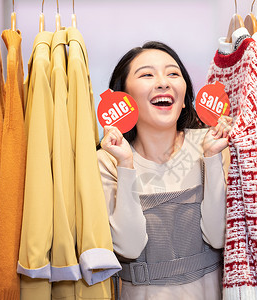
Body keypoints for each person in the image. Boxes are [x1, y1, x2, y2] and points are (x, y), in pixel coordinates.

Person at [97, 41, 231, 300]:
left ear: (183, 100)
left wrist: (212, 159)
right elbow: (129, 247)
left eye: (173, 73)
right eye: (147, 74)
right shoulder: (108, 161)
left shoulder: (211, 145)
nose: (163, 82)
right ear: (124, 98)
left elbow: (219, 238)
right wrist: (126, 164)